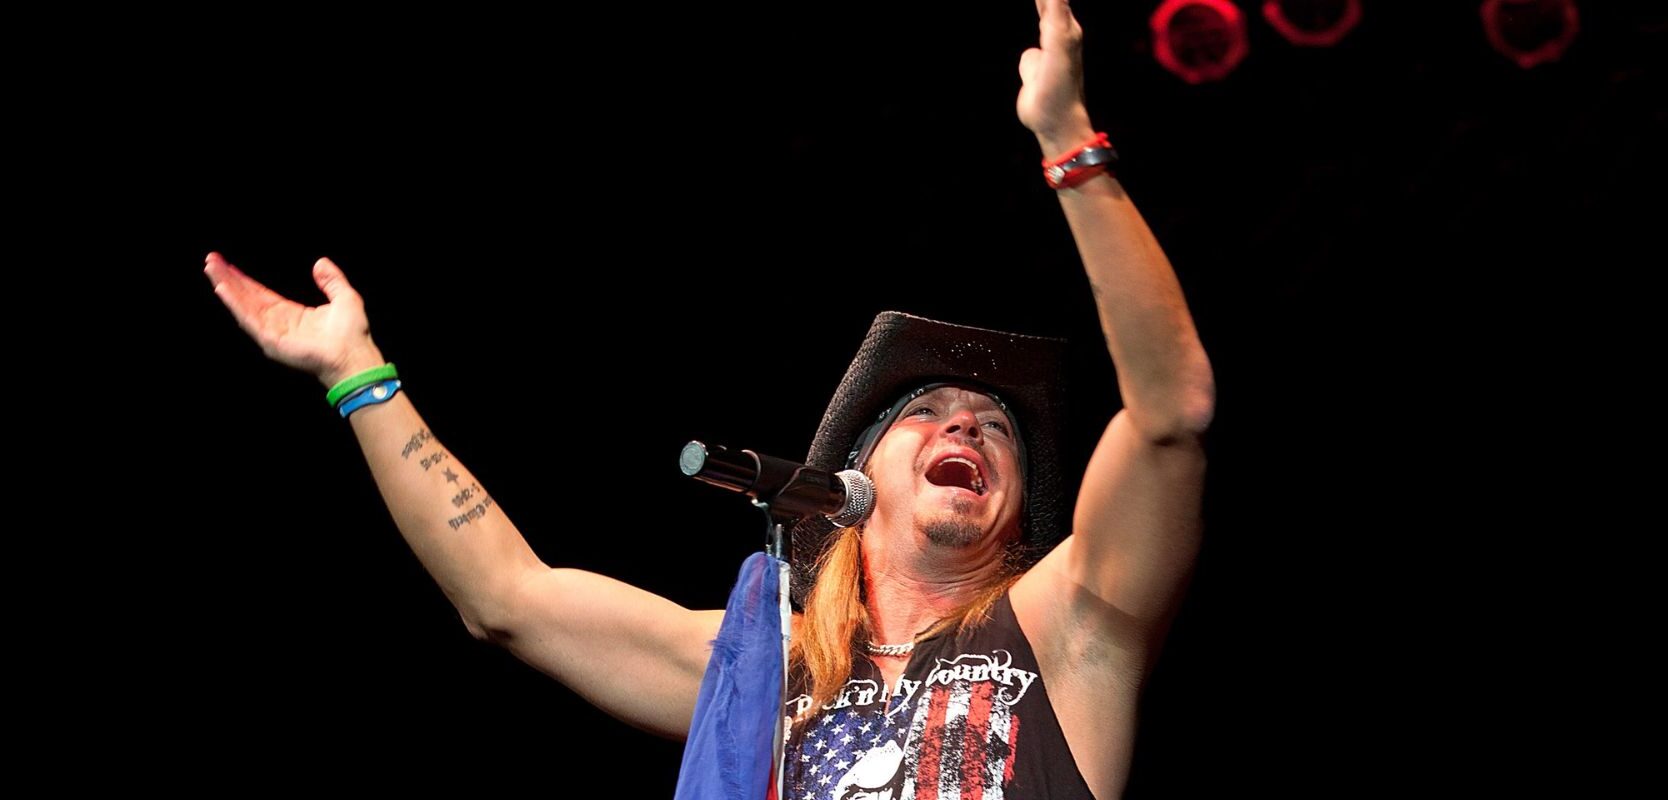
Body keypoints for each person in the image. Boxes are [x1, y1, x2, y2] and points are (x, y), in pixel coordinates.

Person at [203, 1, 1211, 796]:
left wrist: (1068, 142)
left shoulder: (1069, 624)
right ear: (849, 482)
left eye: (996, 426)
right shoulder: (759, 678)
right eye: (929, 410)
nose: (967, 423)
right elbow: (505, 597)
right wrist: (356, 372)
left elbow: (1170, 413)